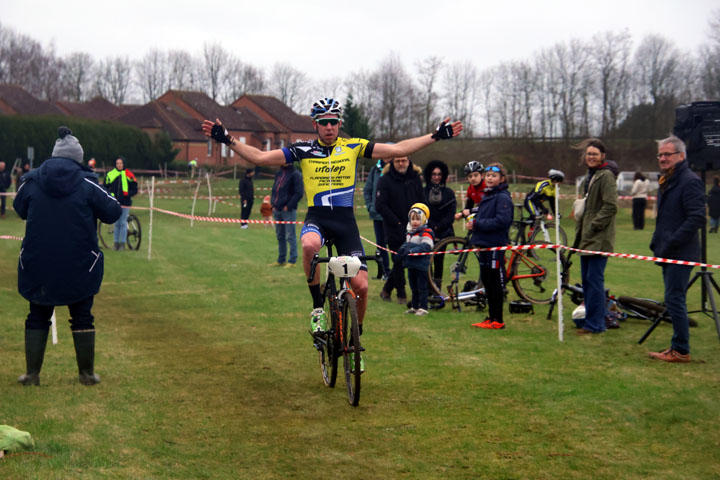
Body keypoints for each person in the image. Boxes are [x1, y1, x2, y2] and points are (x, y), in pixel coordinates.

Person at [202, 98, 463, 364]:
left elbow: (397, 148)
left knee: (361, 286)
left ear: (339, 124)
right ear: (315, 124)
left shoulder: (353, 146)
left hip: (345, 223)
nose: (329, 127)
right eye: (324, 122)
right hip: (317, 218)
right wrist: (227, 139)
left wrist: (434, 136)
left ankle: (355, 341)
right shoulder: (302, 149)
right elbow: (260, 156)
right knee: (308, 246)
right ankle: (317, 307)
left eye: (334, 122)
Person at [13, 126, 122, 386]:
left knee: (37, 315)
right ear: (78, 158)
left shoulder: (32, 181)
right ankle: (86, 374)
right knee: (82, 316)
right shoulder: (88, 184)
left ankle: (32, 375)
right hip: (79, 265)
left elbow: (19, 208)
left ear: (53, 156)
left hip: (38, 263)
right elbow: (114, 211)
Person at [648, 135, 706, 363]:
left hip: (681, 252)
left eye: (667, 154)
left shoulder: (689, 181)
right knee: (672, 298)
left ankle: (681, 350)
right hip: (667, 250)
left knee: (674, 299)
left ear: (681, 156)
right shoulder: (667, 180)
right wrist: (657, 240)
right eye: (660, 155)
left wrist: (672, 241)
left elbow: (697, 217)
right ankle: (677, 346)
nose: (662, 158)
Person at [572, 138, 618, 335]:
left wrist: (593, 225)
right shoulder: (590, 176)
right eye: (588, 154)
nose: (590, 157)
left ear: (603, 156)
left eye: (594, 154)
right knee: (587, 281)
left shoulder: (606, 176)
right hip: (586, 238)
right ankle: (590, 321)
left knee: (594, 281)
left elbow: (610, 206)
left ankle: (597, 324)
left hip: (598, 238)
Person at [467, 163, 513, 329]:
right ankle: (491, 317)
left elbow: (502, 221)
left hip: (495, 246)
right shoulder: (488, 195)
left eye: (494, 176)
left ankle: (498, 320)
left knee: (495, 282)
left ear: (501, 179)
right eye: (488, 176)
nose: (490, 179)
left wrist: (477, 224)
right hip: (484, 244)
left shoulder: (502, 197)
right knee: (486, 280)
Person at [375, 155, 425, 305]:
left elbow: (421, 200)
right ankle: (401, 294)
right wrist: (396, 223)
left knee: (403, 260)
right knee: (398, 260)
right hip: (393, 228)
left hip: (414, 226)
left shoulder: (415, 178)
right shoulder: (384, 180)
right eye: (397, 161)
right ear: (392, 163)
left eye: (404, 160)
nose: (401, 163)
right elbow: (380, 205)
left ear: (409, 161)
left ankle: (386, 290)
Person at [423, 160, 456, 291]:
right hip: (426, 230)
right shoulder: (423, 192)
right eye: (434, 174)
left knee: (439, 261)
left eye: (439, 174)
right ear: (429, 175)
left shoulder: (449, 193)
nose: (436, 177)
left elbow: (451, 213)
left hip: (443, 231)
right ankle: (427, 287)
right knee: (426, 260)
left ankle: (437, 288)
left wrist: (439, 226)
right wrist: (430, 226)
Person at [397, 203, 434, 316]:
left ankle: (423, 307)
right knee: (413, 286)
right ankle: (414, 306)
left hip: (421, 265)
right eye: (412, 219)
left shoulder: (426, 233)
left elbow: (426, 246)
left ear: (423, 219)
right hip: (411, 264)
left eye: (418, 219)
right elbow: (406, 245)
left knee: (421, 287)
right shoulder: (410, 233)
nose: (415, 222)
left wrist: (412, 251)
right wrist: (401, 251)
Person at [269, 163, 303, 267]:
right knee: (280, 235)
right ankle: (281, 259)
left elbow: (299, 193)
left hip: (288, 210)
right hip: (277, 209)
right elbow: (275, 189)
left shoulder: (296, 174)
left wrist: (288, 206)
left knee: (290, 236)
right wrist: (273, 203)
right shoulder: (279, 173)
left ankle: (292, 261)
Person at [363, 157, 391, 280]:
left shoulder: (395, 168)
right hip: (377, 214)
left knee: (395, 245)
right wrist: (370, 207)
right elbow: (367, 190)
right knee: (380, 245)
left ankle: (396, 274)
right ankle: (385, 272)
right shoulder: (375, 170)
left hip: (392, 215)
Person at [104, 156, 138, 250]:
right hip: (114, 202)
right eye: (117, 163)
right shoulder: (110, 174)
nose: (119, 165)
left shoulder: (129, 175)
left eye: (121, 163)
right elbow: (105, 187)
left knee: (122, 222)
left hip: (125, 203)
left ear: (124, 164)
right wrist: (110, 195)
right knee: (116, 223)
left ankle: (122, 244)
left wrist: (128, 194)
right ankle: (116, 244)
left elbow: (135, 189)